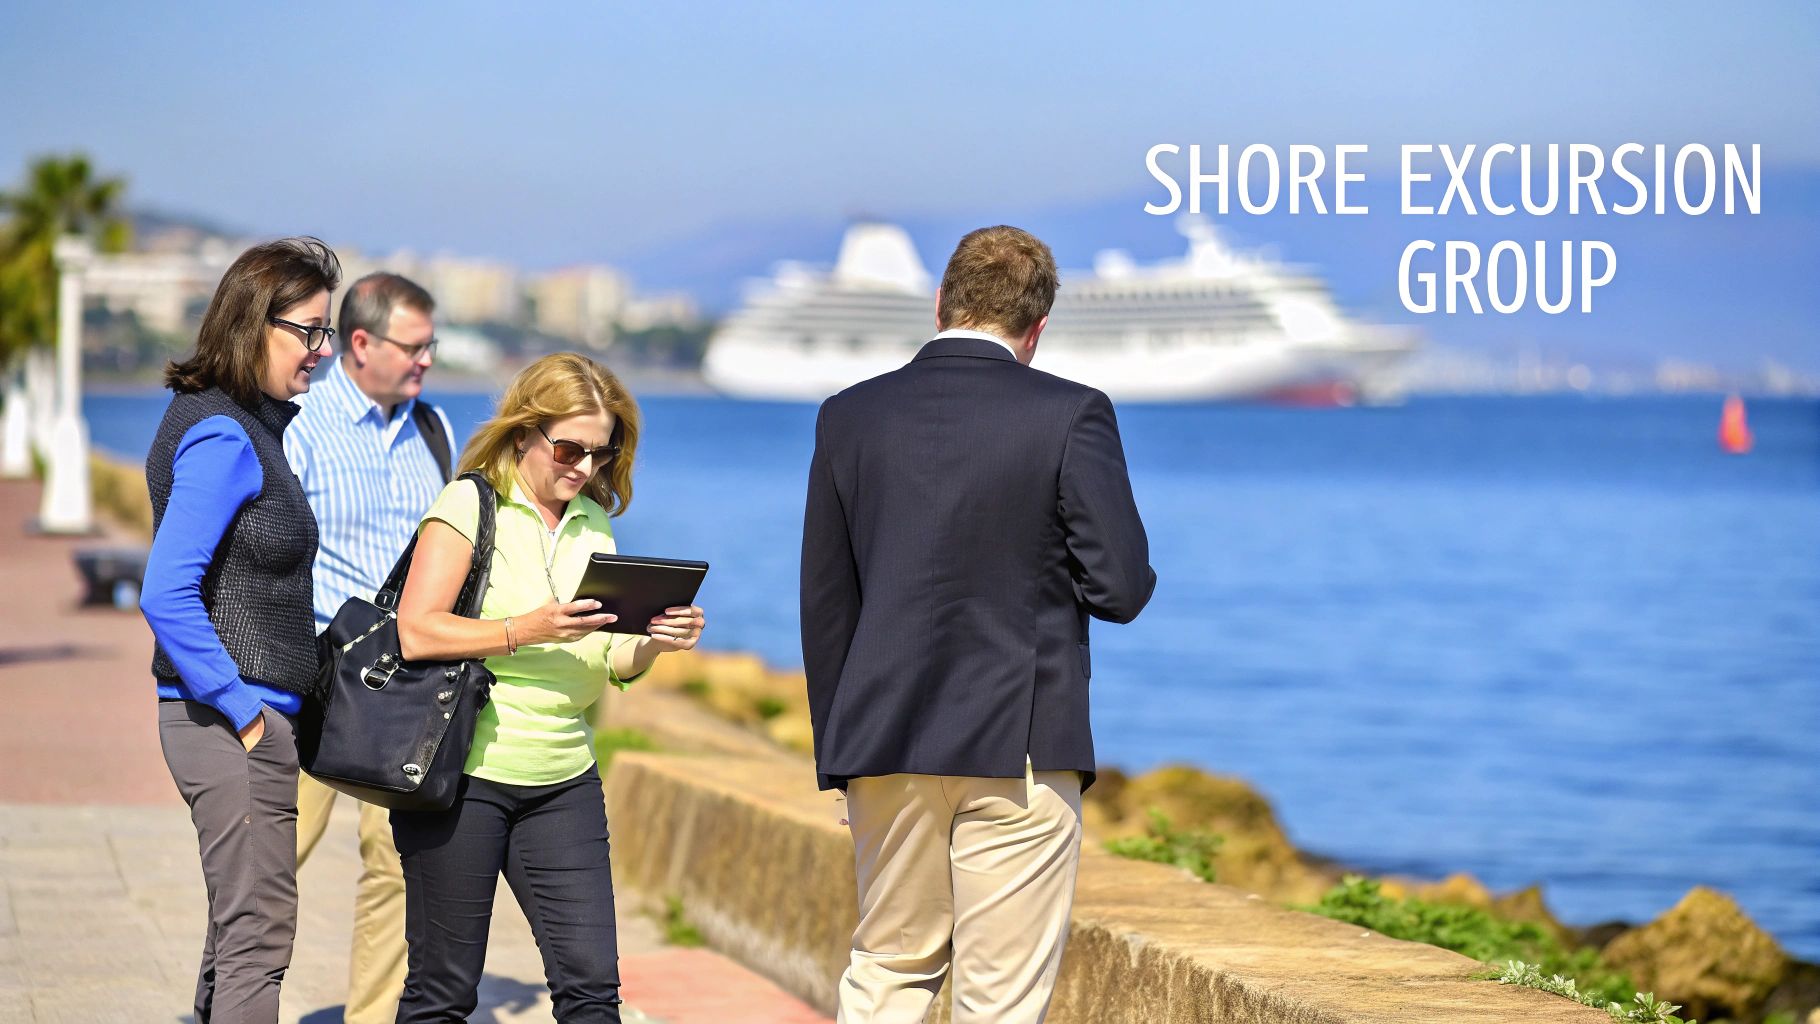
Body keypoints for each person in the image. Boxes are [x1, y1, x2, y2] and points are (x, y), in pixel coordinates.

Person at [800, 225, 1156, 1023]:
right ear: (1037, 328)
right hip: (1020, 744)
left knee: (886, 973)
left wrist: (841, 755)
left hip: (883, 742)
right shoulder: (1073, 414)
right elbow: (1121, 588)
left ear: (940, 303)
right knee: (999, 1002)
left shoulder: (848, 417)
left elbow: (826, 605)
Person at [389, 352, 707, 1022]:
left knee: (592, 992)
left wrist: (656, 639)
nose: (584, 468)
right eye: (569, 448)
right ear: (525, 431)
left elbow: (613, 658)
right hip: (463, 778)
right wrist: (524, 630)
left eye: (600, 453)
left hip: (564, 778)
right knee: (443, 993)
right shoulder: (469, 503)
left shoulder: (593, 521)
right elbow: (416, 632)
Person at [141, 236, 342, 1023]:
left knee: (236, 937)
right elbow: (165, 591)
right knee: (258, 941)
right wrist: (246, 711)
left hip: (236, 719)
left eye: (327, 332)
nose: (321, 352)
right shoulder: (225, 435)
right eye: (309, 331)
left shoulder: (233, 423)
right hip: (229, 721)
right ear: (255, 322)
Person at [285, 271, 452, 1024]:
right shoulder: (298, 425)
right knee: (271, 859)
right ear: (361, 342)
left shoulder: (434, 430)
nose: (426, 362)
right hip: (316, 676)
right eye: (414, 347)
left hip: (406, 685)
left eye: (431, 346)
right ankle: (231, 1001)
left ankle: (374, 1016)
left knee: (394, 863)